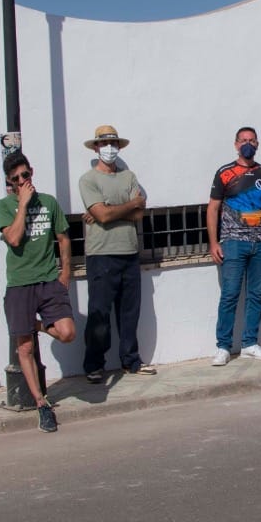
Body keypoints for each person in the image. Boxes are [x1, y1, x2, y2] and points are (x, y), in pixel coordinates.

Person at [0, 153, 78, 433]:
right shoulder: (4, 206)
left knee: (67, 333)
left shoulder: (50, 202)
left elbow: (63, 238)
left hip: (47, 280)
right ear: (10, 182)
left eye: (25, 176)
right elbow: (15, 238)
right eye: (16, 179)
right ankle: (42, 404)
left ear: (31, 172)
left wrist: (65, 272)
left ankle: (36, 325)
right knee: (25, 347)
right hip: (20, 283)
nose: (22, 181)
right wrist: (22, 205)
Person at [78, 125, 153, 382]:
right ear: (96, 147)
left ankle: (131, 360)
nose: (109, 148)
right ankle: (94, 364)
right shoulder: (88, 179)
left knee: (129, 312)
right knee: (99, 312)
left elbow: (138, 214)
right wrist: (127, 205)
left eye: (113, 143)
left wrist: (111, 209)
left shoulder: (129, 176)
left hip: (129, 251)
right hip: (101, 254)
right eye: (104, 143)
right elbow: (102, 215)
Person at [206, 127, 261, 365]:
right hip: (233, 243)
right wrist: (213, 242)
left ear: (257, 144)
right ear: (236, 144)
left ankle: (250, 343)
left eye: (252, 140)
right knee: (229, 295)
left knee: (256, 295)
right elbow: (213, 209)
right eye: (243, 141)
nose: (247, 144)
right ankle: (223, 347)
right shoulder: (224, 173)